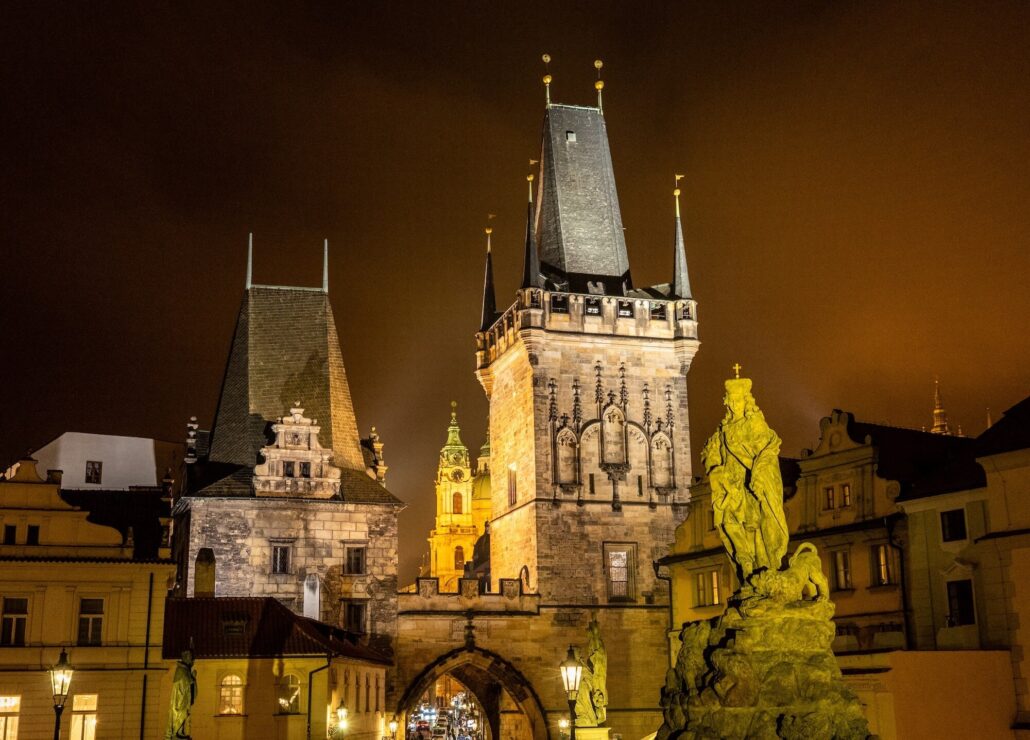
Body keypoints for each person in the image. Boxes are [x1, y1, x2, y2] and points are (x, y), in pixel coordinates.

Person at [701, 372, 788, 581]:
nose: (733, 404)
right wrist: (716, 469)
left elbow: (769, 448)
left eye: (737, 400)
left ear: (746, 401)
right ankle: (746, 567)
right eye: (730, 400)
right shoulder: (722, 431)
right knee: (730, 525)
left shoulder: (755, 424)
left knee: (755, 526)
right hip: (731, 486)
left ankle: (763, 569)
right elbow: (709, 454)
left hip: (751, 485)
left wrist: (758, 474)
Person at [165, 650, 197, 739]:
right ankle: (175, 732)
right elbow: (185, 683)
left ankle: (179, 731)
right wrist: (193, 678)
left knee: (184, 714)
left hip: (184, 697)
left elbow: (188, 683)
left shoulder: (185, 669)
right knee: (181, 713)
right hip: (180, 699)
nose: (192, 660)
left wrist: (192, 678)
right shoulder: (181, 670)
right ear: (186, 658)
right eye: (190, 658)